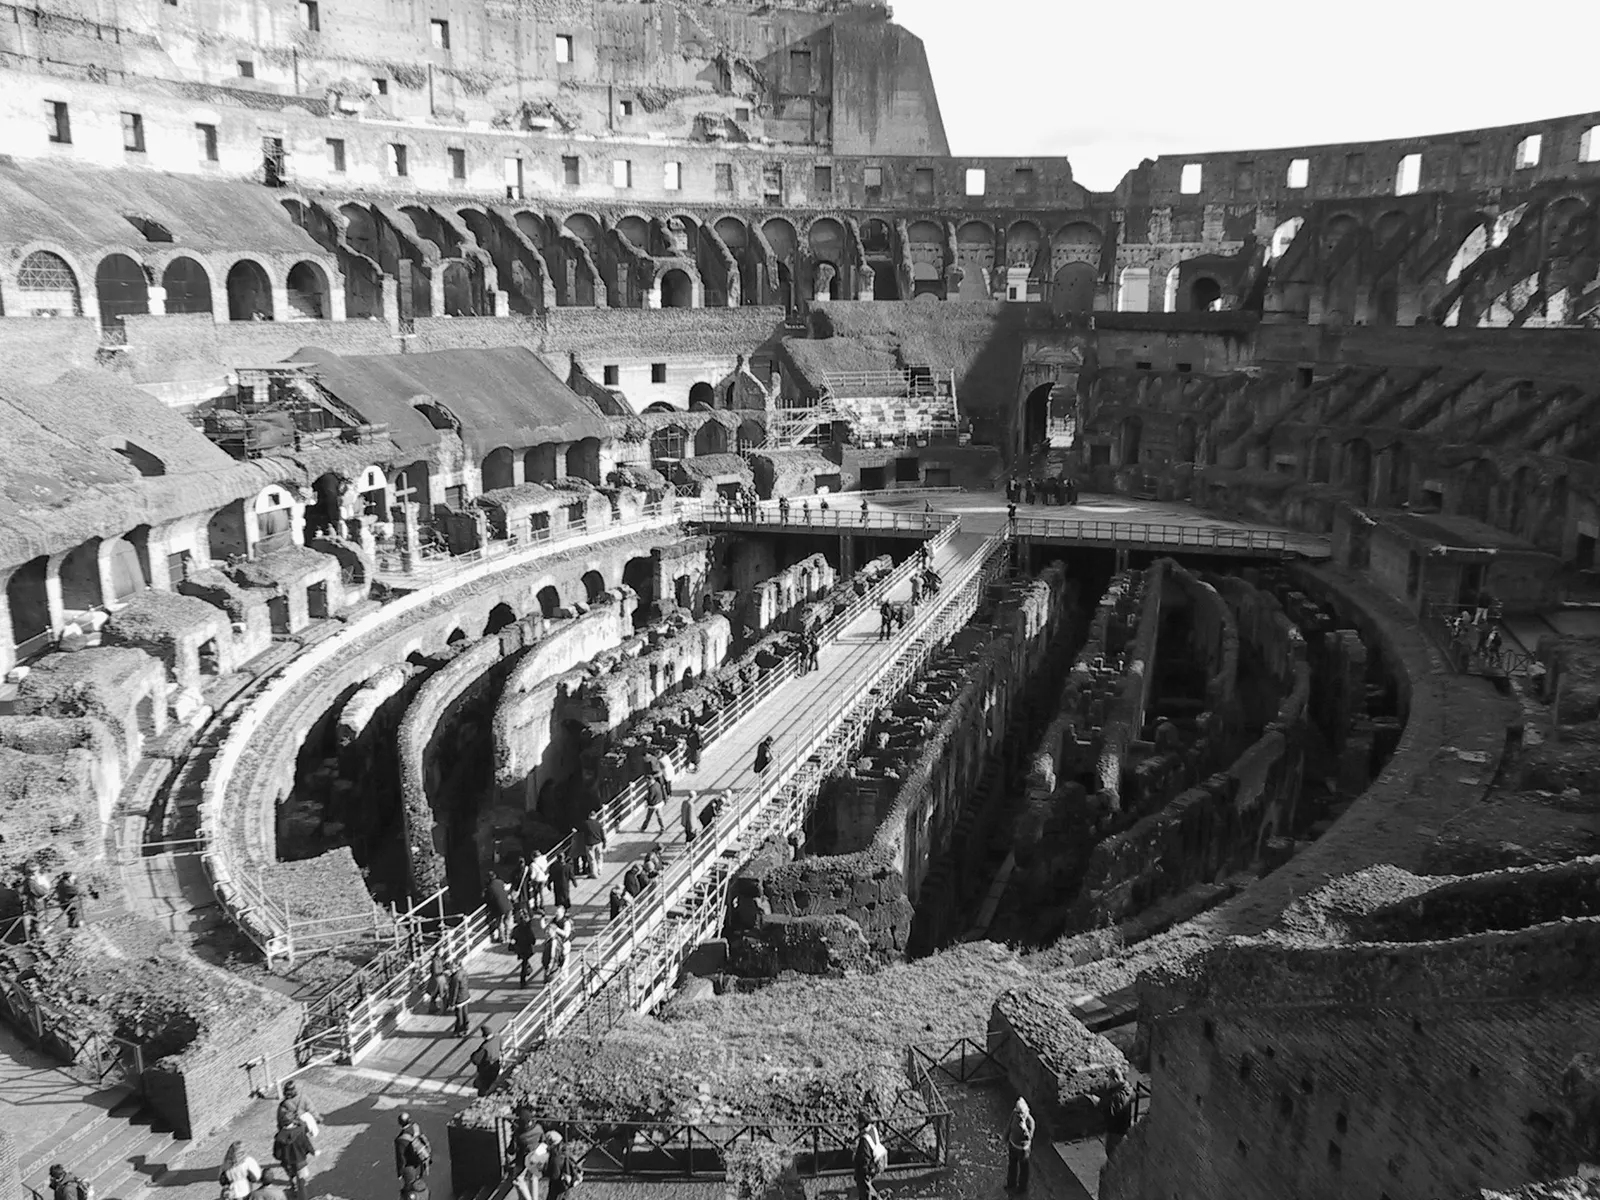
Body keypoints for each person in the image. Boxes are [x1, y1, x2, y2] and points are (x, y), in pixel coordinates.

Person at [507, 1106, 547, 1200]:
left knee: (518, 1179)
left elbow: (512, 1150)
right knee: (534, 1177)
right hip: (537, 1156)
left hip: (523, 1158)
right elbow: (543, 1140)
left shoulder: (519, 1135)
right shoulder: (538, 1128)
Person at [272, 1118, 315, 1200]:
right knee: (301, 1183)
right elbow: (307, 1145)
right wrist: (310, 1152)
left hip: (287, 1164)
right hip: (300, 1161)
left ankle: (294, 1195)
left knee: (293, 1181)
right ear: (292, 1123)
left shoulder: (279, 1137)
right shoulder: (300, 1132)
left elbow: (277, 1155)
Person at [1103, 1073, 1135, 1160]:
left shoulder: (1119, 1095)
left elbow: (1111, 1109)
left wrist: (1100, 1100)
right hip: (1122, 1126)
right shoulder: (1126, 1088)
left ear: (1115, 1079)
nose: (1108, 1082)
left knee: (1112, 1151)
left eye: (1110, 1080)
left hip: (1117, 1129)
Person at [1005, 1096, 1035, 1191]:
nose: (1019, 1115)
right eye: (1018, 1113)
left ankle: (1022, 1188)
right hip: (1013, 1145)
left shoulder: (1030, 1121)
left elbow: (1029, 1137)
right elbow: (1009, 1125)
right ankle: (1011, 1184)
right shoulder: (1014, 1114)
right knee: (1012, 1166)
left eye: (1021, 1113)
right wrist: (1005, 1137)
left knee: (1024, 1169)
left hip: (1023, 1149)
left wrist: (1024, 1128)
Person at [852, 1117, 884, 1200]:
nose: (857, 1124)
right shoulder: (873, 1129)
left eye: (859, 1122)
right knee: (869, 1191)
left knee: (865, 1193)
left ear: (863, 1123)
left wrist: (863, 1171)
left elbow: (865, 1157)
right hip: (874, 1165)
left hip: (865, 1170)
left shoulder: (864, 1140)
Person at [395, 1113, 433, 1182]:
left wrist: (400, 1173)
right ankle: (422, 1175)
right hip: (421, 1154)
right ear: (409, 1120)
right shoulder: (415, 1127)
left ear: (400, 1123)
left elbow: (401, 1157)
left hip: (411, 1163)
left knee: (410, 1181)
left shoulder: (400, 1140)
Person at [468, 1023, 502, 1096]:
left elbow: (475, 1060)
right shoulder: (498, 1038)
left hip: (486, 1069)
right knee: (492, 1083)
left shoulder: (484, 1047)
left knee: (483, 1086)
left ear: (484, 1036)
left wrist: (473, 1055)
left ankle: (482, 1098)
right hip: (496, 1065)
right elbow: (501, 1047)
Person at [543, 1131, 578, 1199]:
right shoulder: (565, 1153)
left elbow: (554, 1175)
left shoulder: (555, 1158)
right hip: (565, 1184)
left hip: (557, 1186)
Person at [485, 872, 514, 943]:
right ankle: (508, 937)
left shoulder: (489, 888)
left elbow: (488, 899)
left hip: (499, 908)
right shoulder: (500, 882)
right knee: (507, 921)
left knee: (500, 923)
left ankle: (502, 938)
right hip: (508, 905)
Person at [512, 912, 537, 988]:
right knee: (524, 963)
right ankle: (523, 979)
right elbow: (533, 940)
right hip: (526, 949)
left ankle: (527, 971)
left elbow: (513, 938)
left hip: (519, 949)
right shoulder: (528, 929)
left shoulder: (516, 929)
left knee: (524, 961)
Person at [448, 961, 471, 1037]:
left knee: (459, 1015)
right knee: (465, 1013)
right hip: (465, 996)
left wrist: (452, 1003)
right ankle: (466, 1027)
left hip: (459, 999)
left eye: (452, 968)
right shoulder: (464, 972)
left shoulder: (455, 977)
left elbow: (454, 991)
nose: (450, 970)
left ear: (456, 968)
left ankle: (460, 1031)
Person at [641, 768, 668, 833]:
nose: (646, 782)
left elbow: (650, 798)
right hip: (659, 802)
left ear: (649, 780)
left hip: (653, 804)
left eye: (647, 780)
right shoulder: (657, 784)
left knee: (648, 817)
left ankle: (643, 828)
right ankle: (663, 827)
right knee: (660, 816)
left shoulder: (651, 788)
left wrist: (645, 799)